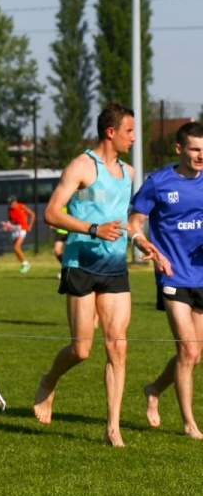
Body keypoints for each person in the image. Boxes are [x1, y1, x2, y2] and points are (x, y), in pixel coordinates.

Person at [32, 102, 161, 447]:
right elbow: (51, 213)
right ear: (111, 132)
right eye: (129, 131)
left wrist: (139, 240)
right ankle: (49, 380)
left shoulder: (129, 172)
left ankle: (112, 428)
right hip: (81, 264)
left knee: (117, 346)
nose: (134, 138)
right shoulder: (81, 166)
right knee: (82, 350)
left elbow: (127, 222)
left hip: (115, 267)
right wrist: (93, 228)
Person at [127, 121, 203, 438]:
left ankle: (154, 389)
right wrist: (144, 244)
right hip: (172, 275)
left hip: (201, 276)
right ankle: (189, 424)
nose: (201, 156)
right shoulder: (158, 183)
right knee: (188, 351)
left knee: (195, 355)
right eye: (195, 149)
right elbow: (132, 223)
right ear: (179, 148)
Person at [4, 194, 35, 273]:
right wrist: (7, 225)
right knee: (15, 249)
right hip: (15, 228)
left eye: (11, 203)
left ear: (15, 202)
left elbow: (32, 214)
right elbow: (10, 219)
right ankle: (23, 263)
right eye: (9, 203)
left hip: (22, 228)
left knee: (16, 247)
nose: (10, 205)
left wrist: (30, 225)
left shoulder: (21, 206)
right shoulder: (9, 209)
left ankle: (26, 264)